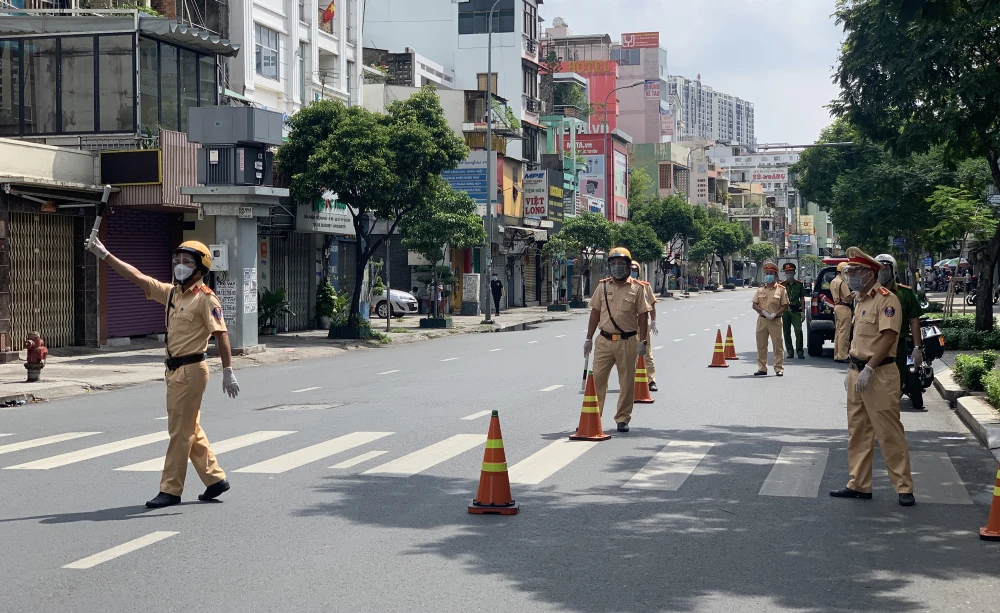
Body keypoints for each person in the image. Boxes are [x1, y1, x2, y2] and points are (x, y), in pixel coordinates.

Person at [85, 238, 239, 508]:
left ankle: (171, 490)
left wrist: (228, 370)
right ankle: (215, 479)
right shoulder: (172, 294)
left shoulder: (206, 298)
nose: (180, 266)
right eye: (177, 260)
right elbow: (138, 277)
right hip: (173, 370)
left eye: (187, 262)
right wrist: (105, 254)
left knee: (179, 432)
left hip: (192, 369)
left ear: (200, 267)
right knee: (189, 427)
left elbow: (221, 335)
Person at [830, 247, 915, 507]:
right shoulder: (860, 300)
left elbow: (889, 336)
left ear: (871, 274)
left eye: (856, 271)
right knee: (858, 431)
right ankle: (859, 484)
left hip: (879, 373)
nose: (851, 275)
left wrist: (869, 368)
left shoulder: (886, 299)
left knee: (888, 432)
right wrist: (853, 368)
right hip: (858, 372)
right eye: (850, 271)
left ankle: (904, 488)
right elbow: (859, 338)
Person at [583, 247, 652, 432]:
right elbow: (595, 313)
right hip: (604, 340)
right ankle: (593, 417)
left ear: (629, 266)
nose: (617, 267)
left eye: (621, 263)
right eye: (613, 264)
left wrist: (643, 341)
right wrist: (588, 338)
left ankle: (622, 419)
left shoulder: (637, 288)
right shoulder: (603, 286)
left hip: (628, 341)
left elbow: (644, 315)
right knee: (597, 380)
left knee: (627, 382)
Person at [874, 254, 924, 402]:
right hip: (874, 346)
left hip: (897, 348)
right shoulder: (870, 294)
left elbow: (914, 321)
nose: (882, 272)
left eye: (885, 269)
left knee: (894, 387)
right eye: (879, 269)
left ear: (893, 271)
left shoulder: (905, 293)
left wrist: (917, 347)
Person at [751, 261, 789, 376]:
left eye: (771, 273)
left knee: (777, 345)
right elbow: (754, 304)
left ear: (776, 275)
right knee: (761, 345)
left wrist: (774, 314)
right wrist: (762, 312)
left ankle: (778, 368)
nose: (768, 275)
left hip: (775, 320)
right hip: (762, 319)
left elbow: (785, 305)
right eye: (767, 273)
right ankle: (762, 368)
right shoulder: (760, 289)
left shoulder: (781, 290)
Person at [631, 261, 659, 391]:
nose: (632, 271)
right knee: (629, 355)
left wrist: (653, 321)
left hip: (642, 326)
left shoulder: (645, 287)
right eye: (630, 269)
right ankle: (631, 380)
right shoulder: (622, 287)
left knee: (647, 353)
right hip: (626, 326)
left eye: (635, 269)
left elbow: (652, 304)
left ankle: (651, 381)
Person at [781, 262, 807, 359]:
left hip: (796, 311)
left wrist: (803, 312)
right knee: (786, 332)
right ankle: (790, 352)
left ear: (794, 272)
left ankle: (800, 352)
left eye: (791, 271)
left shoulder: (799, 285)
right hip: (785, 311)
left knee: (798, 331)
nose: (789, 273)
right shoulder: (782, 285)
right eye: (787, 272)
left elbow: (802, 299)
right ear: (785, 273)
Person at [831, 262, 854, 363]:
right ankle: (843, 355)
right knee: (844, 333)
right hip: (844, 307)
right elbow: (848, 298)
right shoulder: (842, 282)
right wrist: (856, 294)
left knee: (838, 332)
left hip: (837, 306)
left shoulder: (833, 281)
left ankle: (837, 354)